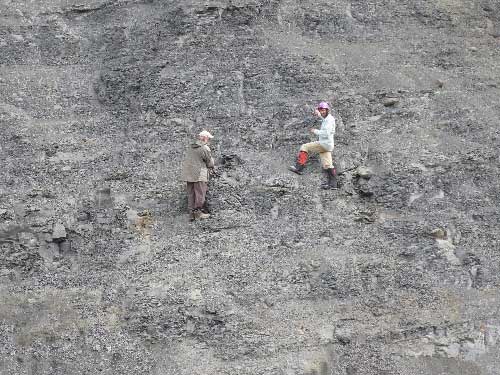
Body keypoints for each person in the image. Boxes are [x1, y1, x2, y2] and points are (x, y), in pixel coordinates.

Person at [289, 101, 338, 189]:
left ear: (327, 110)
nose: (322, 112)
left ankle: (298, 168)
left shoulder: (329, 120)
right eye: (320, 110)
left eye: (323, 110)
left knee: (305, 147)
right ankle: (333, 185)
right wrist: (319, 115)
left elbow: (326, 133)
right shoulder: (328, 118)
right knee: (327, 165)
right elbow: (324, 120)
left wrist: (315, 131)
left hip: (324, 143)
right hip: (328, 145)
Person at [180, 130, 215, 220]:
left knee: (191, 193)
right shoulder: (204, 148)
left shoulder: (191, 147)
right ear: (205, 138)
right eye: (208, 138)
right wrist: (212, 167)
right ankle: (198, 213)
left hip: (189, 174)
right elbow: (210, 162)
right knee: (200, 194)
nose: (209, 140)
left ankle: (191, 214)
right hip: (200, 174)